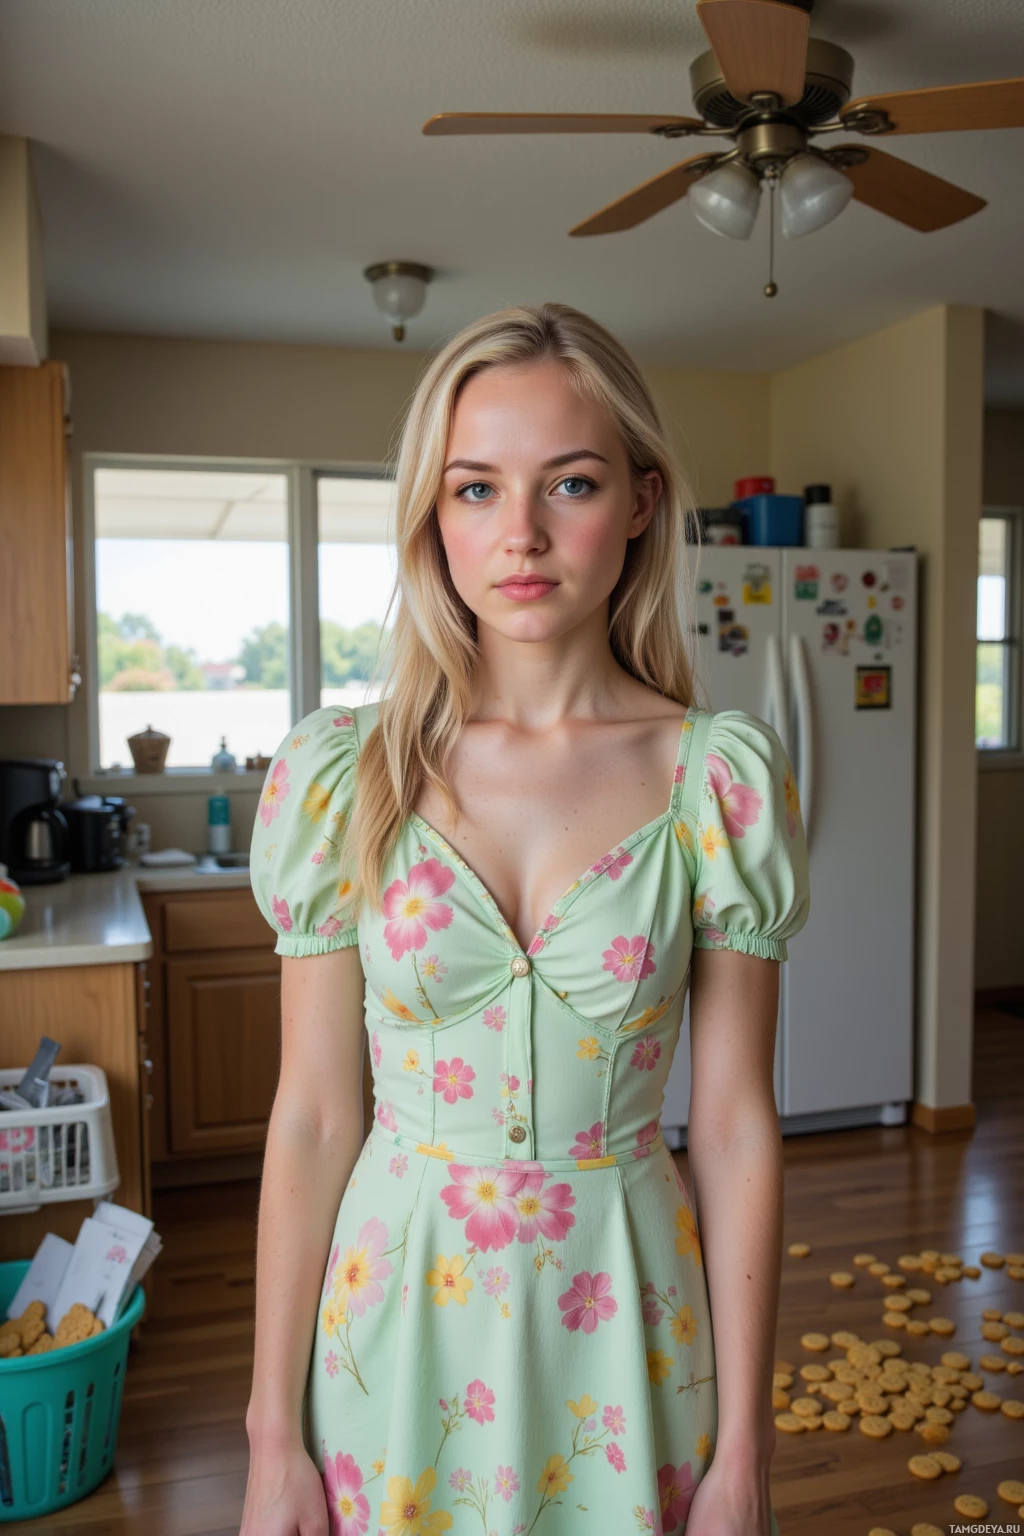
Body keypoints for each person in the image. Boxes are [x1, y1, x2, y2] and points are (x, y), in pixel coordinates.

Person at [242, 301, 810, 1536]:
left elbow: (729, 1126)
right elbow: (315, 1117)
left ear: (644, 501)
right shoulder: (347, 773)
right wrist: (270, 1437)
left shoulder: (712, 779)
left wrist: (746, 1458)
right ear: (430, 515)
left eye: (571, 483)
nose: (523, 535)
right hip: (394, 1333)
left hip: (631, 1332)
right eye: (476, 490)